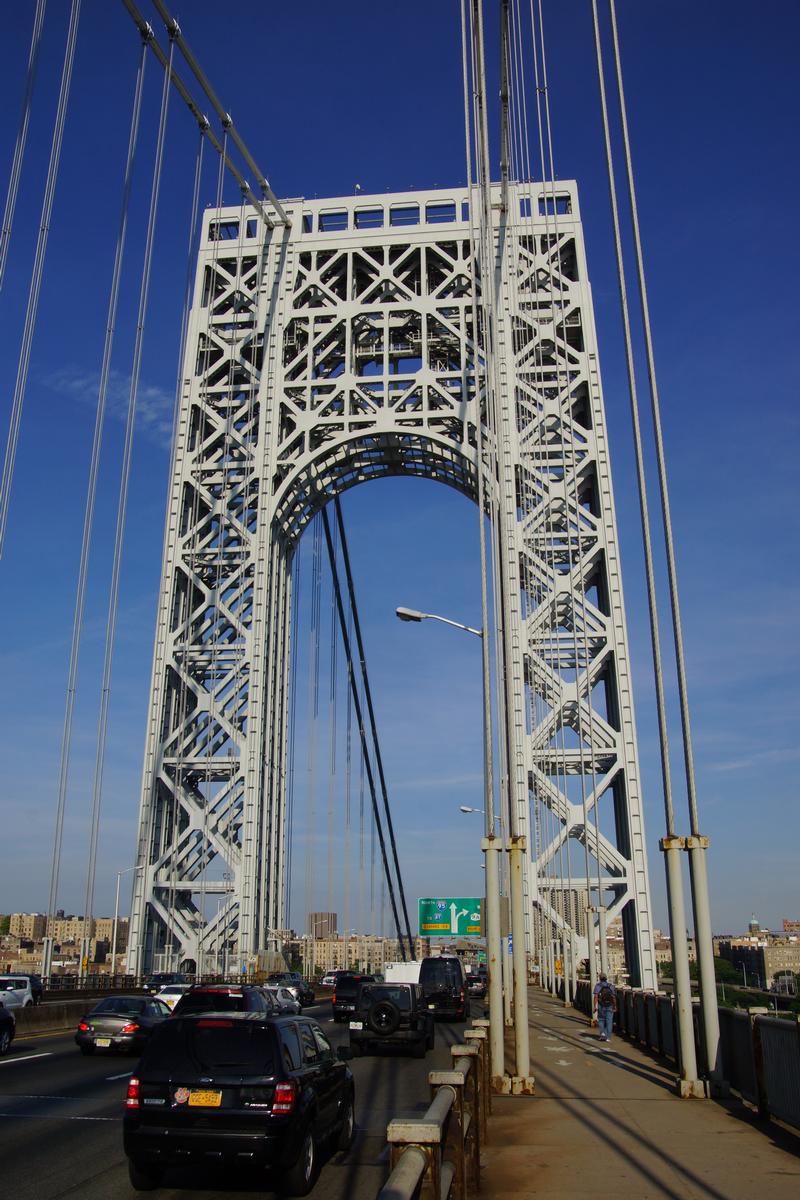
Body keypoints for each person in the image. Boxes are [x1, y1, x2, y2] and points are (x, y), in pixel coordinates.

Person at [592, 972, 617, 1042]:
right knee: (609, 1021)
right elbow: (613, 997)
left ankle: (602, 1033)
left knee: (601, 1019)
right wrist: (615, 1006)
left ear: (599, 978)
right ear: (606, 978)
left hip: (601, 1005)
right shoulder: (611, 986)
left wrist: (595, 1006)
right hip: (610, 1005)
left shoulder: (598, 986)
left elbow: (596, 997)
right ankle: (608, 1037)